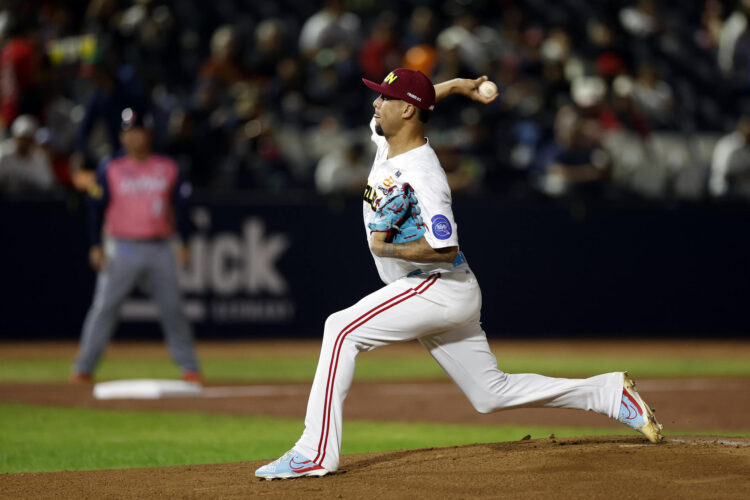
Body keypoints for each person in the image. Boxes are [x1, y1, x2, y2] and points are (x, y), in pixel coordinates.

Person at [254, 69, 663, 480]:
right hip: (437, 289)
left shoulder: (424, 173)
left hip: (437, 286)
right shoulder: (386, 139)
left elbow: (444, 247)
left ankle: (315, 451)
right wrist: (456, 87)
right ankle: (608, 393)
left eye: (384, 97)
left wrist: (387, 248)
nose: (375, 104)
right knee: (490, 394)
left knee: (340, 329)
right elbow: (418, 100)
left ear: (407, 110)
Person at [71, 108, 201, 384]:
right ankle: (84, 367)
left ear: (149, 134)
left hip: (160, 247)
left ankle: (189, 367)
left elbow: (182, 209)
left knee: (172, 308)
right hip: (122, 247)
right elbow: (95, 208)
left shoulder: (167, 167)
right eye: (127, 132)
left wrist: (185, 243)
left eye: (137, 131)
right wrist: (96, 244)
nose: (132, 137)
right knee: (104, 307)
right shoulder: (111, 167)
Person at [0, 115, 56, 193]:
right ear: (15, 137)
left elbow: (48, 185)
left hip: (32, 202)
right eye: (22, 138)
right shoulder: (4, 154)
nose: (25, 143)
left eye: (28, 139)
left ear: (33, 140)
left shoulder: (40, 157)